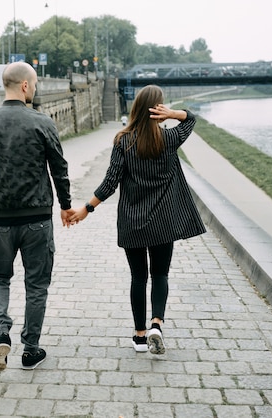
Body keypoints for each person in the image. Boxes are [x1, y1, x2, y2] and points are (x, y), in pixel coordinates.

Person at [69, 85, 206, 354]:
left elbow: (110, 183)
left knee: (138, 277)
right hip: (164, 222)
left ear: (136, 108)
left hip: (133, 221)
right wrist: (174, 113)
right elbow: (191, 119)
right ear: (158, 110)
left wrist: (87, 208)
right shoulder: (170, 139)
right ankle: (156, 323)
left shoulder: (123, 141)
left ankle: (140, 336)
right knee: (160, 274)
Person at [0, 61, 74, 371]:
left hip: (0, 218)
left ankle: (1, 332)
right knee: (37, 285)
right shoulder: (42, 123)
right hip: (38, 218)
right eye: (36, 82)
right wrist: (66, 205)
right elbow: (59, 168)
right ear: (25, 86)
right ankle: (30, 350)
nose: (37, 87)